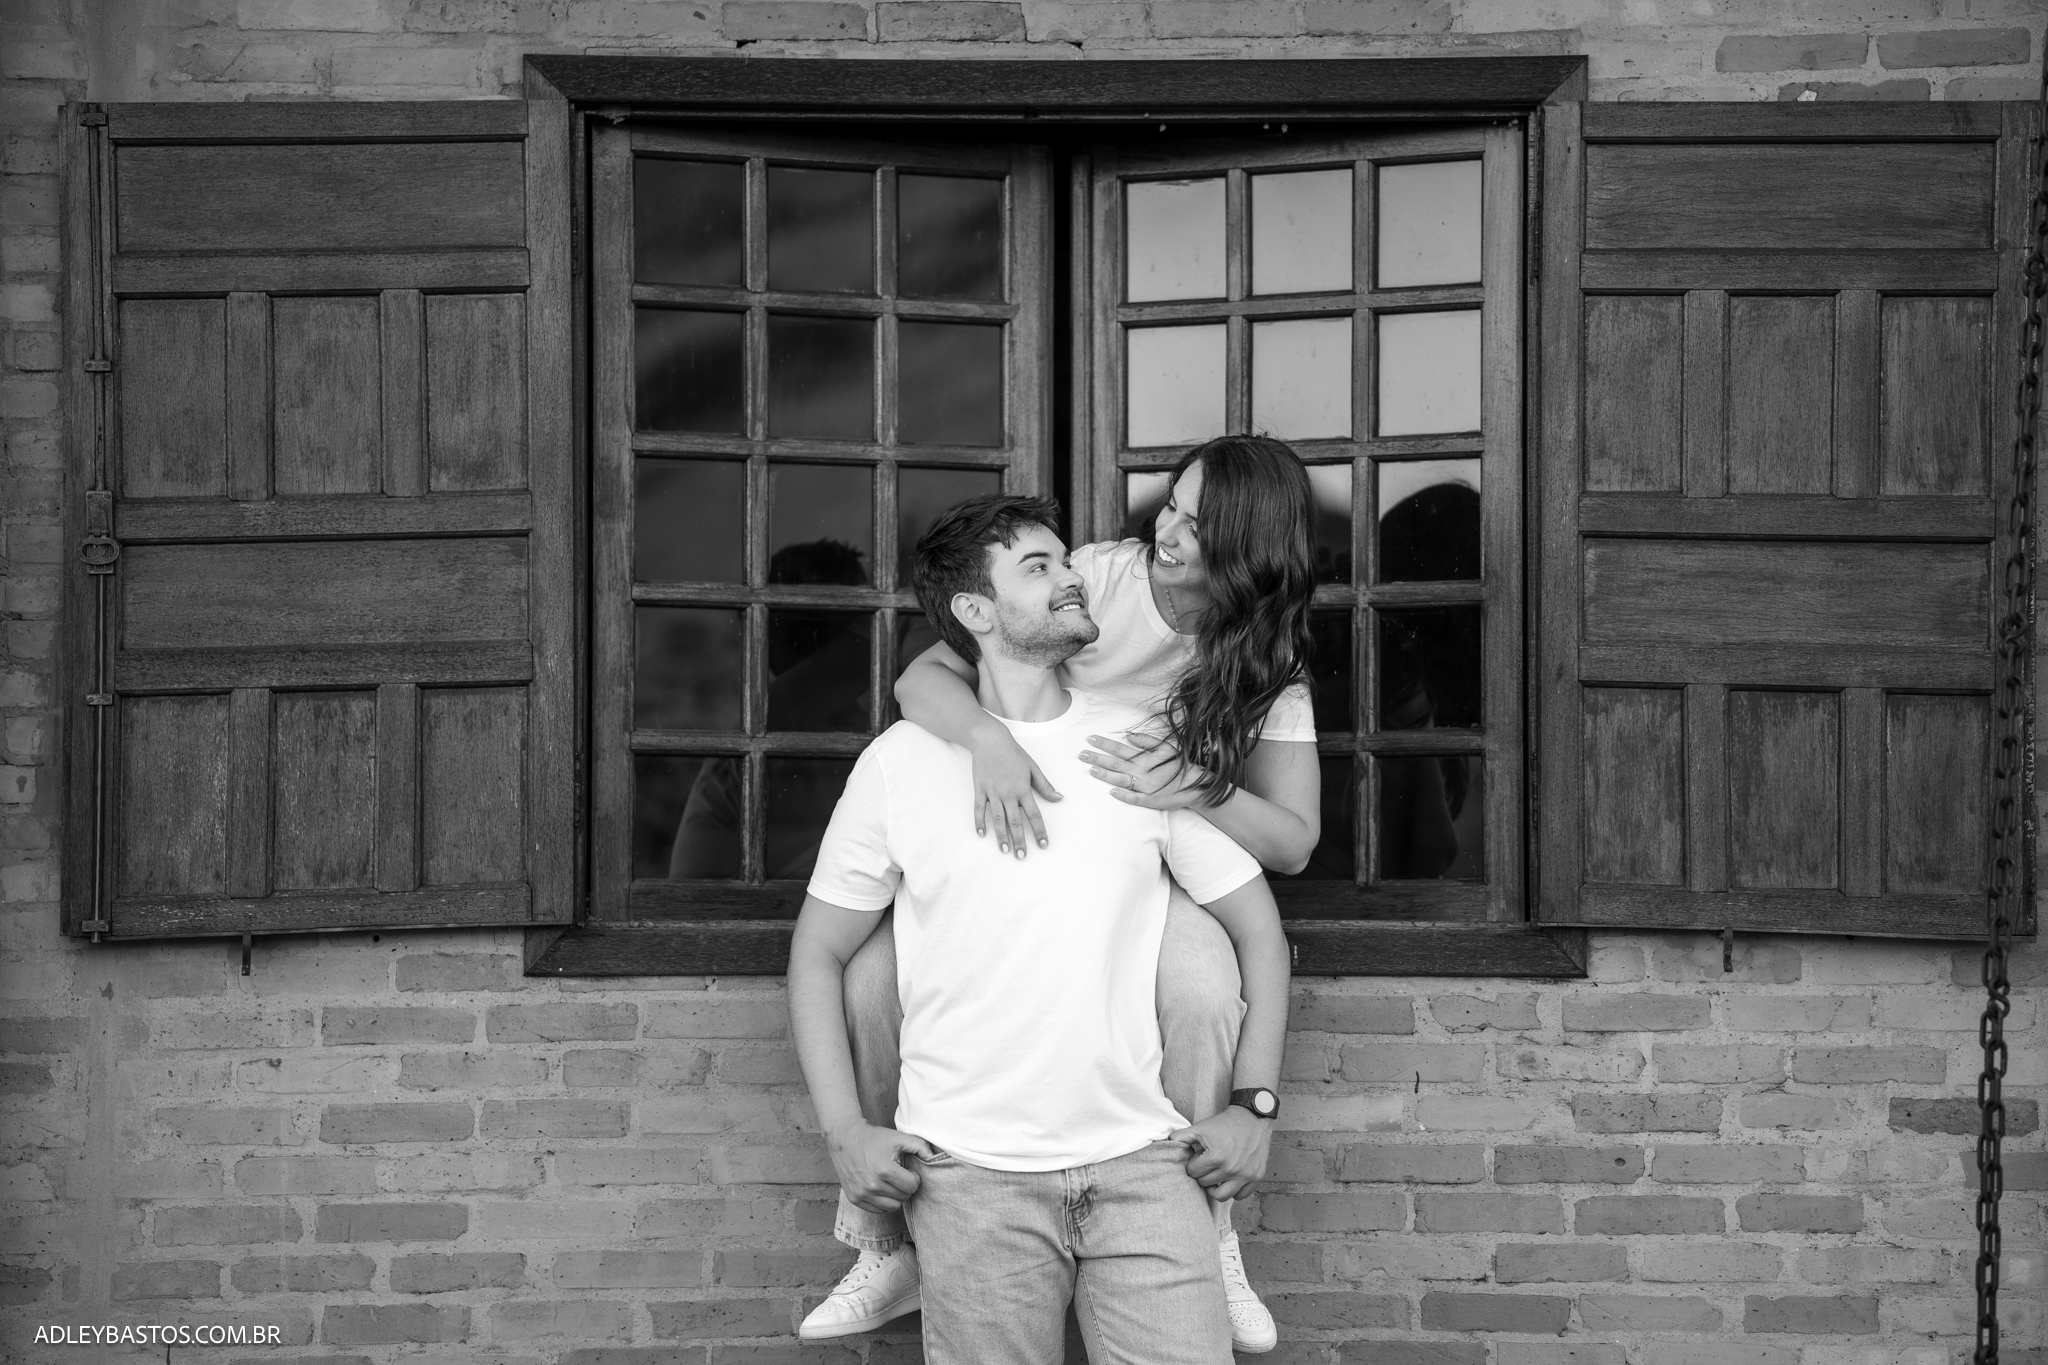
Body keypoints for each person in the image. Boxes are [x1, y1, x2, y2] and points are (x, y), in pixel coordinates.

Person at [803, 436, 1321, 1354]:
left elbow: (1293, 843)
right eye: (1170, 504)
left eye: (1195, 524)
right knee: (871, 981)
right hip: (1034, 781)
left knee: (1205, 987)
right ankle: (886, 1227)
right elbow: (929, 669)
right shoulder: (1096, 580)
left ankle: (1212, 1222)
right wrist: (989, 740)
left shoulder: (1264, 663)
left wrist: (1194, 785)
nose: (1166, 530)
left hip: (1146, 823)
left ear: (1246, 548)